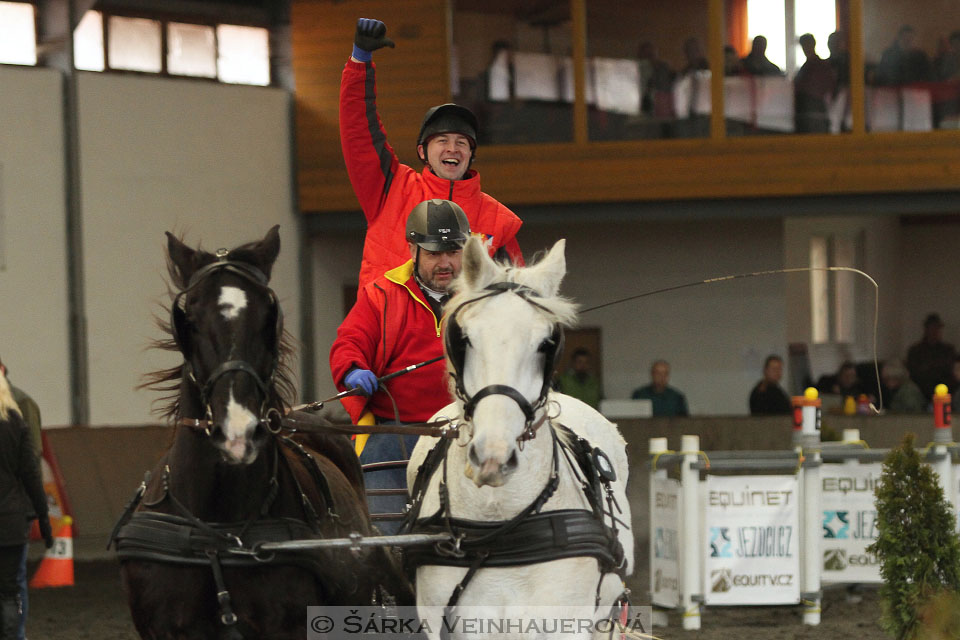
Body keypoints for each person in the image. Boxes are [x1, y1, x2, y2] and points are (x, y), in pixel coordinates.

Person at [340, 18, 524, 289]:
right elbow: (359, 133)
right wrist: (360, 60)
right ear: (422, 152)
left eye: (462, 142)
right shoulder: (390, 188)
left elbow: (519, 296)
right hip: (387, 330)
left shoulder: (499, 221)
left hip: (456, 332)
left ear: (471, 155)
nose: (452, 148)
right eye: (441, 140)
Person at [329, 199, 469, 533]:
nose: (445, 263)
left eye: (453, 251)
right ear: (413, 250)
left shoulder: (483, 296)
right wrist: (351, 370)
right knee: (381, 534)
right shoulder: (381, 293)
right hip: (393, 433)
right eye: (434, 253)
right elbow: (349, 341)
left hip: (465, 432)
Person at [0, 366, 52, 639]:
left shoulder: (23, 403)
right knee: (12, 586)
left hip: (14, 506)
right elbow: (30, 463)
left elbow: (32, 455)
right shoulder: (18, 410)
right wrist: (42, 514)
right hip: (12, 511)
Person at [907, 313, 957, 400]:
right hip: (922, 389)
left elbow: (952, 370)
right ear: (926, 329)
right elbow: (913, 372)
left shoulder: (948, 350)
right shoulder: (916, 351)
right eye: (931, 328)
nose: (934, 331)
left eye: (937, 328)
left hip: (946, 390)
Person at [794, 34, 837, 133]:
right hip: (805, 110)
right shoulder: (808, 66)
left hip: (815, 110)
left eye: (807, 45)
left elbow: (829, 87)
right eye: (804, 45)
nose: (806, 48)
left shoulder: (821, 66)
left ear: (813, 45)